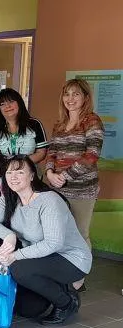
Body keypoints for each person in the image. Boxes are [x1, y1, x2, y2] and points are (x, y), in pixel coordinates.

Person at [0, 156, 91, 325]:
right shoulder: (10, 198)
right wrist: (10, 236)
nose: (13, 177)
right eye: (9, 172)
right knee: (27, 308)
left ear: (32, 176)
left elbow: (53, 243)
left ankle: (67, 303)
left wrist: (15, 255)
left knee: (19, 268)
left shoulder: (49, 200)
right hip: (42, 258)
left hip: (70, 259)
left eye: (19, 172)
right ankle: (61, 288)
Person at [46, 79, 104, 244]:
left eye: (76, 94)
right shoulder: (60, 124)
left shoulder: (92, 121)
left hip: (82, 190)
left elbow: (92, 155)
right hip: (57, 188)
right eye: (67, 94)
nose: (70, 98)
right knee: (58, 233)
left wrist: (64, 176)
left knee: (79, 235)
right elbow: (52, 152)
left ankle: (83, 262)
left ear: (85, 97)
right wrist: (49, 173)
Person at [0, 88, 48, 163]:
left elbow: (41, 153)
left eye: (11, 101)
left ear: (19, 103)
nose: (7, 106)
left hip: (26, 169)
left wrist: (19, 164)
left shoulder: (34, 124)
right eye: (2, 104)